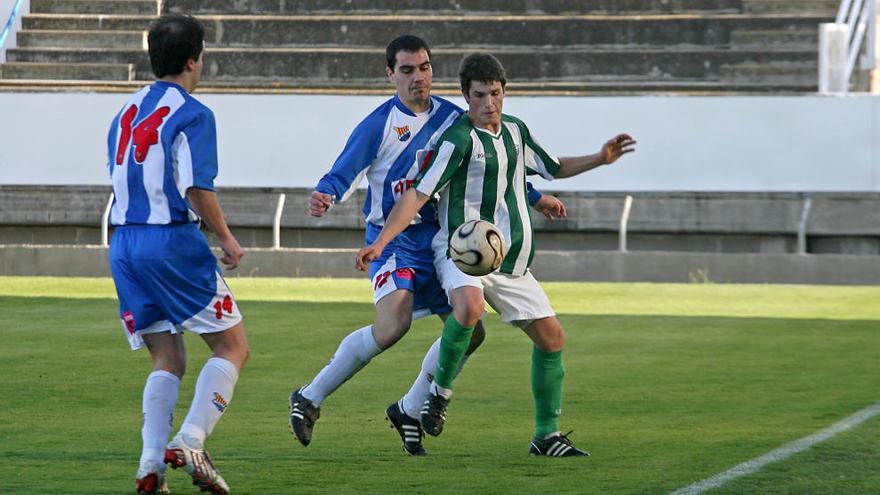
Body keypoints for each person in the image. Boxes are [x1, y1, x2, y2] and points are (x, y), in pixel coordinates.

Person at [289, 35, 565, 456]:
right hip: (395, 239)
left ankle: (409, 408)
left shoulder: (453, 119)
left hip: (441, 239)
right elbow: (343, 170)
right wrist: (325, 193)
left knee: (470, 331)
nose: (418, 77)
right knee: (393, 325)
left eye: (424, 68)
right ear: (390, 75)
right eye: (407, 70)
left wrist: (534, 196)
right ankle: (310, 396)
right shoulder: (379, 124)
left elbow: (488, 167)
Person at [357, 53, 636, 457]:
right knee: (469, 309)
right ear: (466, 97)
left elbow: (552, 167)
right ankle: (439, 394)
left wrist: (600, 157)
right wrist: (380, 243)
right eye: (480, 95)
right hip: (461, 249)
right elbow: (417, 195)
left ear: (504, 93)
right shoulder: (455, 138)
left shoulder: (516, 132)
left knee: (552, 338)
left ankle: (546, 436)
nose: (489, 103)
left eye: (496, 93)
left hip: (509, 257)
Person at [107, 14, 249, 494]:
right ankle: (191, 439)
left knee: (167, 358)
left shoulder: (126, 110)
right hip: (170, 243)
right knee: (233, 346)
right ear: (194, 60)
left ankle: (150, 466)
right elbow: (194, 188)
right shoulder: (193, 113)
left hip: (124, 245)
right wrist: (226, 237)